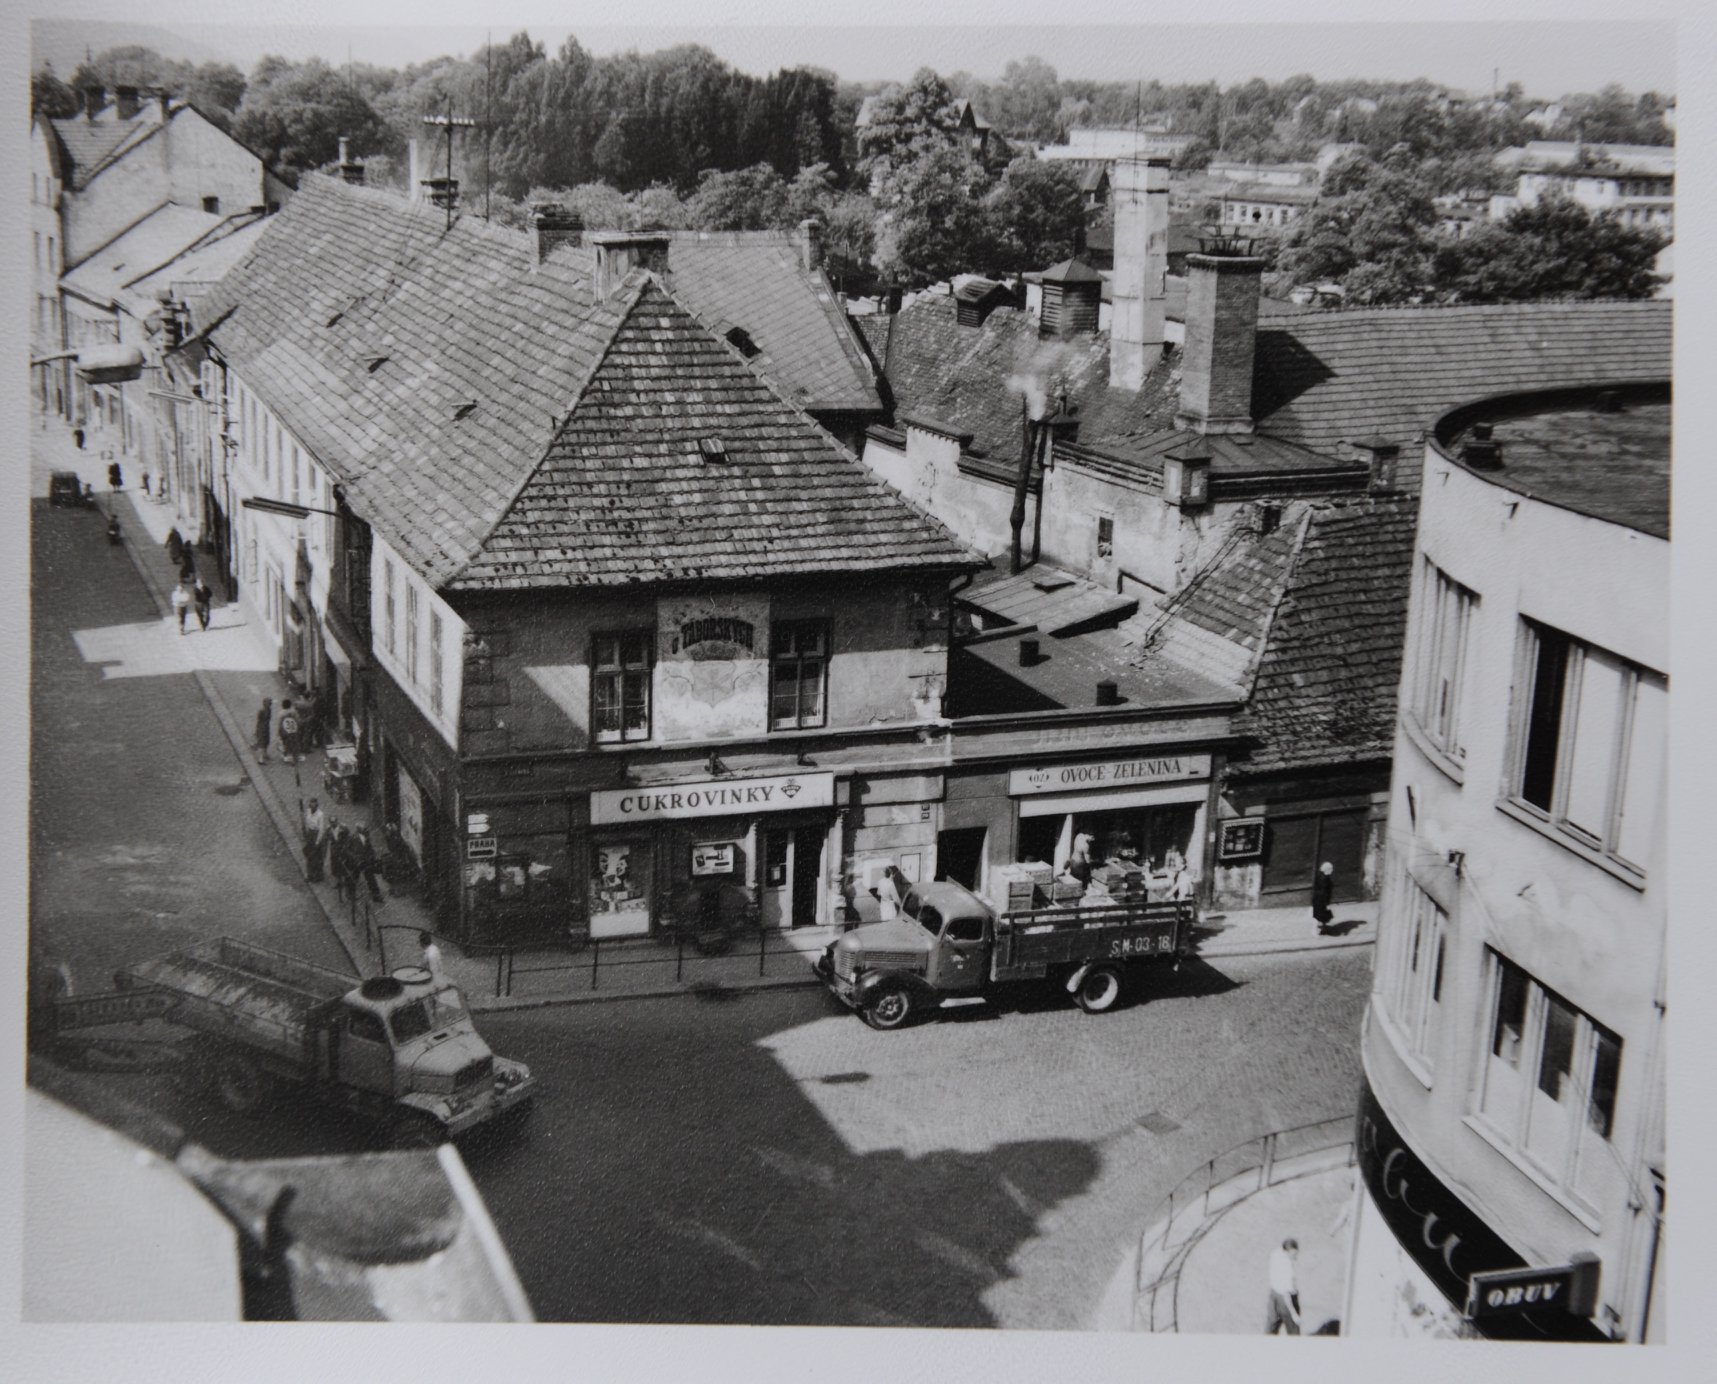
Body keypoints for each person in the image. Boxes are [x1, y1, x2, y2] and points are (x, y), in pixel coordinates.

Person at [1266, 1238, 1302, 1335]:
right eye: (1294, 1254)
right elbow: (1287, 1296)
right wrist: (1294, 1315)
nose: (1296, 1257)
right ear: (1287, 1252)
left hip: (1273, 1296)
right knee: (1293, 1331)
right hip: (1286, 1300)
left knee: (1271, 1327)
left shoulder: (1276, 1253)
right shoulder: (1288, 1271)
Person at [301, 797, 329, 882]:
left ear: (317, 805)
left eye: (314, 804)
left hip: (316, 835)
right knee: (309, 856)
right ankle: (309, 874)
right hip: (310, 834)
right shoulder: (308, 811)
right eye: (311, 804)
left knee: (317, 857)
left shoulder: (320, 814)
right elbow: (306, 822)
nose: (312, 806)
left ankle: (318, 876)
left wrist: (317, 841)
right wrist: (305, 832)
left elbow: (321, 829)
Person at [1312, 861, 1335, 932]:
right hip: (1322, 900)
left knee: (1320, 914)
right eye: (1330, 869)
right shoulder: (1325, 878)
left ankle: (1321, 927)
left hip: (1317, 898)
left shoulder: (1320, 875)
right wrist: (1326, 903)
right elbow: (1324, 891)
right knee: (1323, 914)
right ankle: (1321, 929)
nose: (1332, 870)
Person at [277, 699, 301, 764]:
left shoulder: (281, 713)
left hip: (285, 730)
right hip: (293, 729)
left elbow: (280, 724)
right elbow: (298, 721)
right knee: (294, 743)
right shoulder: (293, 712)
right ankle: (294, 757)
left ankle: (288, 757)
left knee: (286, 743)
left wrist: (279, 732)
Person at [253, 696, 273, 763]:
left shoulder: (269, 709)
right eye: (269, 703)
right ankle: (260, 759)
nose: (270, 704)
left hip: (266, 727)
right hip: (262, 727)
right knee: (262, 742)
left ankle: (265, 754)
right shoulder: (262, 710)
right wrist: (257, 730)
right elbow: (259, 719)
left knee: (266, 741)